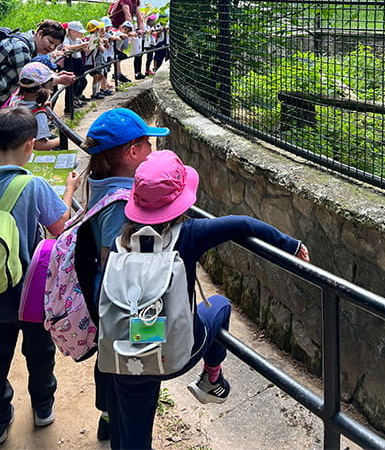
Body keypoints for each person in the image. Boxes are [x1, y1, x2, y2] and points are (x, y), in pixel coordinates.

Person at [102, 149, 310, 450]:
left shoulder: (120, 242)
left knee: (133, 431)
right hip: (173, 353)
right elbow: (243, 224)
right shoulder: (190, 234)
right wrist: (290, 245)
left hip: (126, 348)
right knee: (220, 307)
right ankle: (211, 379)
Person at [0, 105, 80, 447]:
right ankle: (43, 406)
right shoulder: (34, 185)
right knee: (39, 351)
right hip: (31, 291)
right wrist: (69, 190)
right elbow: (60, 227)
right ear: (30, 145)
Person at [81, 108, 170, 442]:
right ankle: (121, 426)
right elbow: (112, 262)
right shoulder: (121, 203)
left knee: (107, 357)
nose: (151, 149)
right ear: (133, 152)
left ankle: (107, 415)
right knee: (128, 367)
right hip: (121, 305)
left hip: (104, 300)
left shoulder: (98, 181)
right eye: (147, 143)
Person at [0, 20, 75, 185]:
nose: (51, 47)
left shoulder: (26, 45)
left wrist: (53, 78)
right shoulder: (20, 47)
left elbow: (34, 77)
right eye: (50, 41)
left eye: (55, 45)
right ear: (39, 33)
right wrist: (57, 79)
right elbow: (30, 79)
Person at [4, 62, 60, 150]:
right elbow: (40, 146)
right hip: (27, 154)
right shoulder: (38, 114)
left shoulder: (15, 98)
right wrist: (61, 140)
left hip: (13, 149)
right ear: (44, 87)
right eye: (51, 81)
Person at [108, 0, 145, 81]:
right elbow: (127, 15)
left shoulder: (136, 1)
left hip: (124, 28)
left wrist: (141, 29)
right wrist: (131, 31)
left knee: (121, 50)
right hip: (116, 27)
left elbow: (139, 16)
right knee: (117, 51)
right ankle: (117, 74)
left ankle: (117, 73)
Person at [61, 21, 88, 110]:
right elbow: (67, 47)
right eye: (79, 32)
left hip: (78, 62)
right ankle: (69, 106)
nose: (81, 34)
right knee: (71, 85)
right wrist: (81, 45)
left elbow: (87, 50)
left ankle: (75, 98)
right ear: (72, 31)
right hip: (71, 62)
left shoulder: (79, 40)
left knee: (82, 81)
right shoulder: (67, 39)